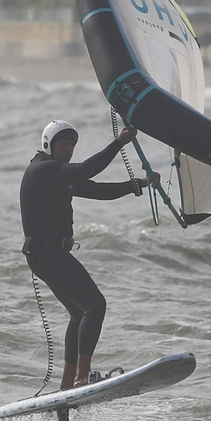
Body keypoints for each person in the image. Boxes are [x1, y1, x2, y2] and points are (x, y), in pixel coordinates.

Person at [20, 120, 149, 389]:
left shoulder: (58, 175)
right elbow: (87, 169)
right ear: (48, 144)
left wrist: (137, 184)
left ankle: (68, 382)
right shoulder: (43, 170)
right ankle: (82, 376)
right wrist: (119, 142)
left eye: (72, 145)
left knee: (79, 312)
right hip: (47, 253)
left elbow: (96, 189)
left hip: (47, 254)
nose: (69, 149)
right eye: (64, 144)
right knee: (95, 305)